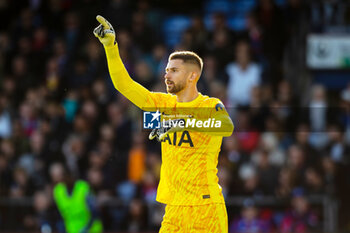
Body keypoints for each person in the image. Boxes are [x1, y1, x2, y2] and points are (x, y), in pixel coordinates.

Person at [93, 15, 234, 232]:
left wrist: (181, 122)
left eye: (174, 71)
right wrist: (111, 47)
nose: (167, 75)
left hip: (204, 207)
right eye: (167, 69)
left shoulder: (210, 104)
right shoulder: (162, 103)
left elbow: (226, 127)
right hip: (174, 209)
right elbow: (125, 85)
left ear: (192, 76)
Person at [53, 169, 103, 233]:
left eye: (70, 176)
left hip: (91, 229)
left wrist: (87, 228)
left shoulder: (83, 188)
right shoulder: (58, 191)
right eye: (66, 177)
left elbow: (95, 211)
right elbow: (58, 214)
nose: (68, 179)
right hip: (72, 230)